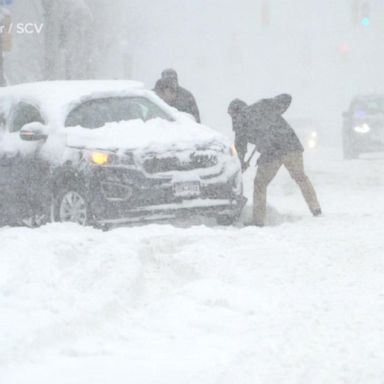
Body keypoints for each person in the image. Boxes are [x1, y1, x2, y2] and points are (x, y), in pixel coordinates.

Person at [228, 94, 322, 227]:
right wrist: (273, 112)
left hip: (273, 152)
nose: (232, 118)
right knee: (300, 177)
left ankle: (259, 221)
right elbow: (286, 98)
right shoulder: (262, 106)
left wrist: (240, 164)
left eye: (231, 115)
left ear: (234, 113)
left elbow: (240, 149)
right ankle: (316, 209)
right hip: (290, 145)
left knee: (260, 184)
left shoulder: (242, 122)